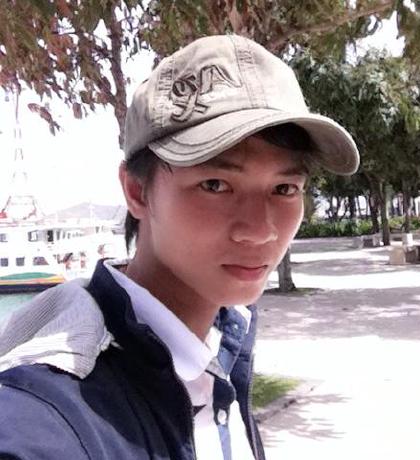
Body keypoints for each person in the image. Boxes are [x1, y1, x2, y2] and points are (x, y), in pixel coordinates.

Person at [0, 34, 359, 459]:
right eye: (215, 185)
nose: (260, 230)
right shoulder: (50, 412)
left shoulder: (223, 341)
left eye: (284, 188)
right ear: (137, 191)